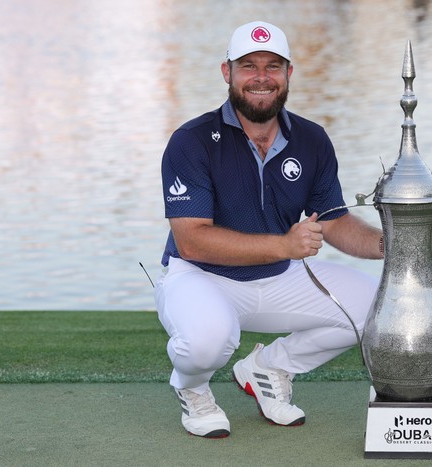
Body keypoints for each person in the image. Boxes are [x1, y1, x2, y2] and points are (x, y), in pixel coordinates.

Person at [154, 20, 383, 438]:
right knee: (208, 341)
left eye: (273, 66)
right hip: (200, 276)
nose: (261, 78)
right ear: (228, 73)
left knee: (377, 309)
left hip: (278, 276)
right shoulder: (192, 140)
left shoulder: (312, 139)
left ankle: (267, 368)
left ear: (288, 74)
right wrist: (284, 245)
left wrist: (389, 245)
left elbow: (333, 220)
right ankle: (192, 387)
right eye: (248, 66)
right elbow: (192, 239)